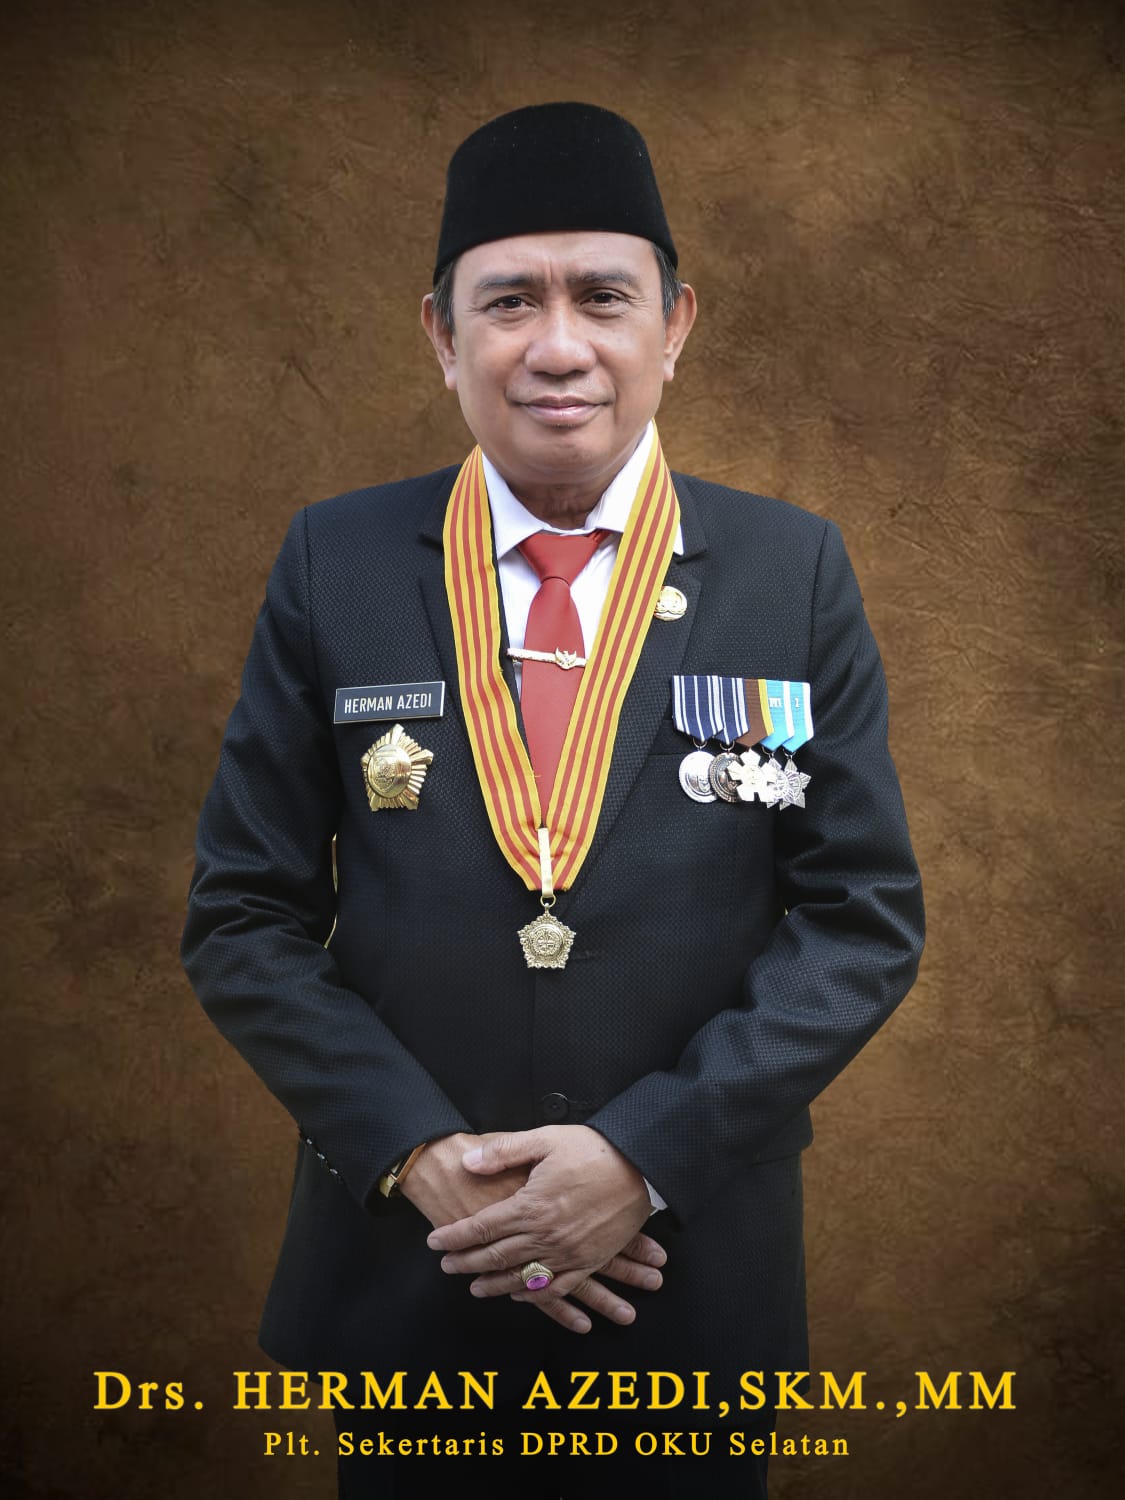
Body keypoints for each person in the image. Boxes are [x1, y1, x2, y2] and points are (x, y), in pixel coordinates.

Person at [182, 102, 924, 1498]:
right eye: (509, 300)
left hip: (685, 1284)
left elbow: (859, 922)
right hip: (412, 1276)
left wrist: (640, 1158)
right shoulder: (337, 562)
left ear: (675, 325)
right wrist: (418, 1154)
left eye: (604, 296)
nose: (559, 344)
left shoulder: (791, 571)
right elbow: (242, 917)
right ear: (442, 334)